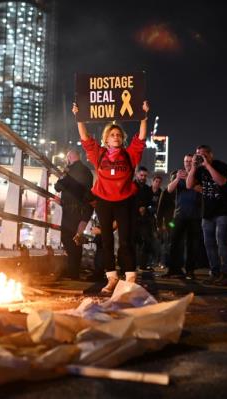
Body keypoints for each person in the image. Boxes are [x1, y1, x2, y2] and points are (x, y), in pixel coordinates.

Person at [72, 100, 150, 294]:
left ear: (122, 139)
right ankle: (111, 279)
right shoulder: (98, 154)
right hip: (104, 201)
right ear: (106, 140)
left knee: (125, 240)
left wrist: (144, 116)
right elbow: (85, 139)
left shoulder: (129, 154)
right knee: (106, 240)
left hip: (125, 200)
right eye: (112, 135)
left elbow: (140, 139)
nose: (115, 137)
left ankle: (130, 277)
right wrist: (79, 117)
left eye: (118, 135)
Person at [187, 145, 227, 286]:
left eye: (203, 154)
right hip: (207, 213)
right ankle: (215, 273)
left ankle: (226, 274)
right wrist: (194, 167)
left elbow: (222, 182)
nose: (201, 157)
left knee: (222, 243)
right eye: (198, 155)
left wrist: (207, 165)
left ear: (210, 155)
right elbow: (189, 185)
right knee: (209, 244)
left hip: (222, 211)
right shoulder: (199, 169)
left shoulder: (221, 165)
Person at [54, 150, 94, 280]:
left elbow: (58, 187)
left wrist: (62, 176)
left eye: (67, 158)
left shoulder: (69, 172)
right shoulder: (87, 171)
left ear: (70, 157)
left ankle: (72, 272)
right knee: (76, 240)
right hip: (83, 209)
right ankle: (74, 272)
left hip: (70, 211)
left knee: (67, 238)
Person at [166, 154, 204, 279]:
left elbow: (202, 190)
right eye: (185, 161)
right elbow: (169, 190)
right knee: (174, 242)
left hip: (195, 215)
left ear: (194, 162)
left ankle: (190, 270)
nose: (187, 163)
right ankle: (173, 269)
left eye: (189, 161)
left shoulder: (198, 175)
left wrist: (192, 183)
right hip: (179, 214)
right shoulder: (178, 174)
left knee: (192, 245)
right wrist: (177, 179)